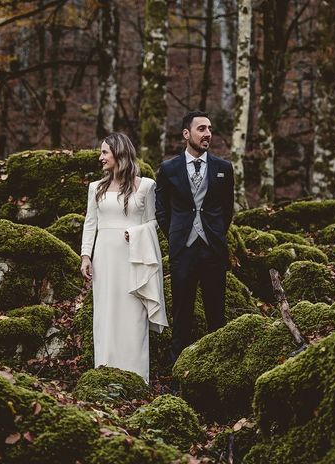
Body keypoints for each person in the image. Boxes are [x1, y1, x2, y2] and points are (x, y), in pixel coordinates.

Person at [80, 132, 168, 383]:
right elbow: (90, 223)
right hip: (104, 258)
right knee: (106, 313)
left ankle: (136, 377)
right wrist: (86, 255)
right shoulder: (95, 188)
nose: (100, 157)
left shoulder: (147, 186)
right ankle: (104, 371)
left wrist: (137, 232)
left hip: (134, 258)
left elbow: (154, 222)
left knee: (132, 314)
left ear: (119, 153)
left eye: (105, 152)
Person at [155, 111, 234, 364]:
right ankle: (177, 370)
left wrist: (216, 233)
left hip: (213, 249)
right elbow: (161, 210)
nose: (208, 133)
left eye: (209, 128)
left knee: (216, 315)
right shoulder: (169, 168)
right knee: (182, 314)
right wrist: (176, 236)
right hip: (183, 250)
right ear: (186, 134)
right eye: (201, 128)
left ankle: (218, 368)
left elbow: (227, 209)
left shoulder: (224, 168)